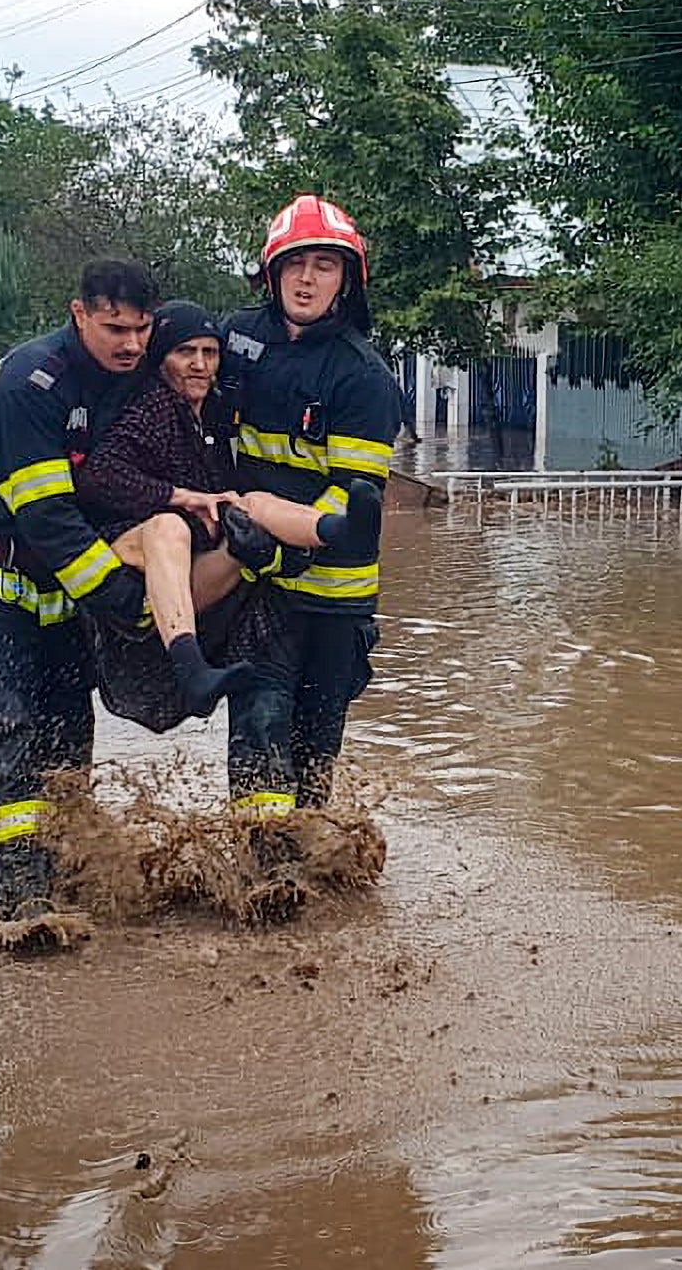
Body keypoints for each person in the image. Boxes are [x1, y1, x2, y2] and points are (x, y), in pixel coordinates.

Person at [0, 259, 158, 923]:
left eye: (142, 330)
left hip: (58, 588)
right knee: (7, 726)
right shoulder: (29, 387)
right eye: (116, 327)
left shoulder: (127, 380)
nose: (132, 344)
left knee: (67, 732)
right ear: (78, 313)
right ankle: (20, 902)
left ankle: (67, 871)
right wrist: (125, 601)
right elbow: (49, 519)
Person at [217, 195, 403, 916]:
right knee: (259, 727)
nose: (307, 279)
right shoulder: (232, 340)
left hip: (335, 599)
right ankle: (267, 886)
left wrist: (280, 538)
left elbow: (352, 508)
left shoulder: (363, 379)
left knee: (313, 751)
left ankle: (310, 859)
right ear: (271, 274)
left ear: (346, 280)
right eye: (295, 263)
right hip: (257, 589)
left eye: (324, 265)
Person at [75, 300, 382, 729]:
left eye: (210, 353)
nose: (200, 365)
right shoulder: (150, 410)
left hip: (195, 567)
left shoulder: (218, 414)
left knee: (253, 504)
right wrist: (177, 496)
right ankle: (191, 668)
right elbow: (98, 477)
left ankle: (338, 530)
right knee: (169, 529)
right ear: (161, 359)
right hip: (134, 561)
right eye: (185, 353)